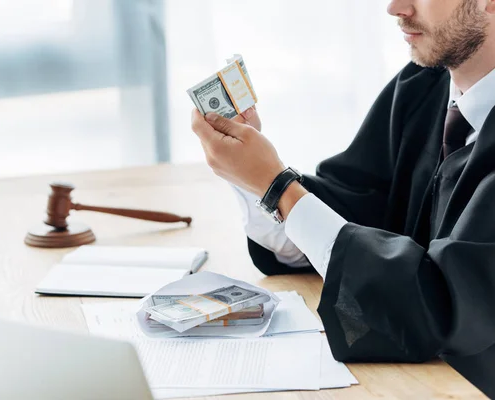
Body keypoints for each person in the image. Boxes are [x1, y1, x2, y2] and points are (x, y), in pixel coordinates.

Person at [191, 0, 495, 396]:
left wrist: (277, 187)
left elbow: (440, 308)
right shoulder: (424, 87)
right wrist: (253, 176)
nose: (395, 7)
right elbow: (353, 216)